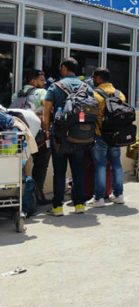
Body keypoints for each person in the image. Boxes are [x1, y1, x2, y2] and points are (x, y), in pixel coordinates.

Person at [42, 58, 92, 216]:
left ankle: (57, 207)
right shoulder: (86, 87)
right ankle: (79, 205)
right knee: (78, 171)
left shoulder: (55, 87)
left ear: (63, 68)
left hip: (60, 137)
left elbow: (46, 113)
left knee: (59, 172)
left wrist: (46, 131)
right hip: (81, 135)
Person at [11, 69, 50, 204]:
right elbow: (46, 112)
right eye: (41, 79)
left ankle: (20, 197)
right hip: (37, 135)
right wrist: (46, 131)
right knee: (41, 164)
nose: (44, 82)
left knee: (18, 165)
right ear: (33, 81)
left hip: (18, 133)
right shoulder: (42, 93)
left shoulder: (17, 94)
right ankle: (37, 196)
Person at [87, 68, 125, 207]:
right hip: (116, 136)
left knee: (101, 166)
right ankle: (119, 194)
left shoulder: (94, 94)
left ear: (98, 78)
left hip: (100, 135)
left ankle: (99, 198)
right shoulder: (120, 94)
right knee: (117, 165)